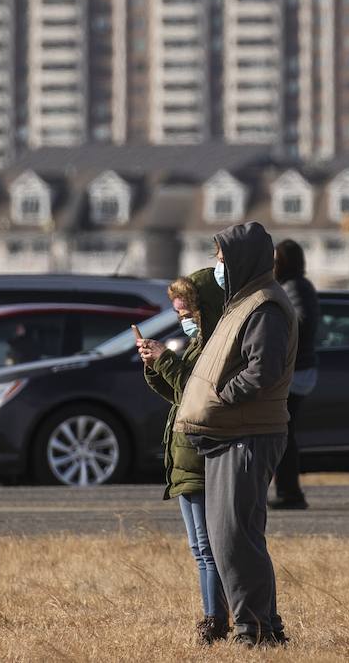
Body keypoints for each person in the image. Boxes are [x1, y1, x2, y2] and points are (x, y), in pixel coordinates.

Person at [174, 221, 297, 647]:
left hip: (247, 432)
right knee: (233, 536)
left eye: (222, 258)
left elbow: (262, 369)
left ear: (242, 260)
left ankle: (256, 631)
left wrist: (224, 397)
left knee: (234, 538)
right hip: (233, 432)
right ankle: (263, 626)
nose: (218, 266)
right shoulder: (243, 302)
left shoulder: (263, 306)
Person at [137, 269, 228, 645]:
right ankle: (213, 616)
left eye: (187, 313)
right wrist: (154, 366)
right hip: (184, 456)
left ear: (203, 309)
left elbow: (197, 395)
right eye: (178, 314)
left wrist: (164, 360)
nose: (183, 320)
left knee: (207, 549)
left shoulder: (214, 347)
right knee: (199, 548)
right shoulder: (196, 345)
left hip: (200, 456)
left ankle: (215, 618)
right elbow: (179, 396)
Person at [269, 239, 319, 511]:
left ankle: (290, 493)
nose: (272, 266)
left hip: (296, 371)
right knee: (283, 433)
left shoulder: (295, 287)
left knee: (282, 433)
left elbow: (302, 322)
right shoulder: (292, 286)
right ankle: (288, 491)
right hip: (298, 370)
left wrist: (275, 317)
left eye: (276, 261)